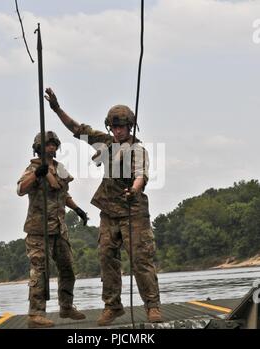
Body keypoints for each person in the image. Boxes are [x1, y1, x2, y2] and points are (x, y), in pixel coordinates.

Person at [44, 88, 162, 326]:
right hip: (109, 212)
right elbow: (77, 129)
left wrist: (134, 190)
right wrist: (57, 109)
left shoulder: (138, 150)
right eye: (114, 127)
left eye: (122, 127)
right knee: (106, 258)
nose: (118, 131)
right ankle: (112, 306)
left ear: (130, 127)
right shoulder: (106, 143)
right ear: (110, 128)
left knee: (141, 260)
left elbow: (141, 176)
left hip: (133, 212)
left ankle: (152, 306)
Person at [17, 131, 87, 328]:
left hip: (59, 229)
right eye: (48, 144)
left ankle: (66, 306)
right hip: (39, 231)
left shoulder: (60, 169)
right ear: (39, 147)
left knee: (68, 269)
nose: (52, 147)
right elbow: (21, 189)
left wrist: (78, 209)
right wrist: (37, 175)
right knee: (40, 272)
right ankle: (36, 314)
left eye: (54, 144)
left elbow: (64, 194)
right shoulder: (33, 168)